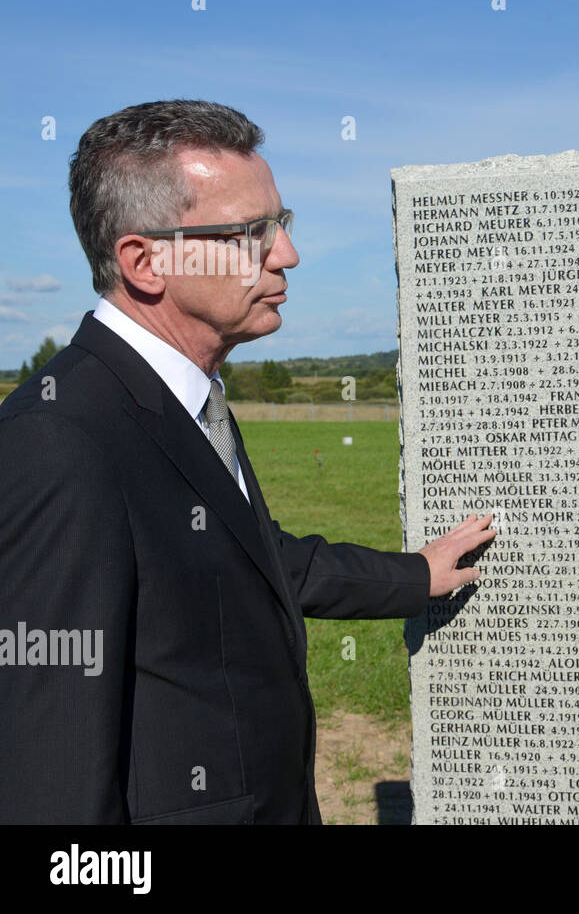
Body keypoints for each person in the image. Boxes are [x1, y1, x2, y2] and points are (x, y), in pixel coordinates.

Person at [0, 100, 495, 824]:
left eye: (281, 222)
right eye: (246, 234)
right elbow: (53, 778)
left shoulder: (183, 395)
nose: (286, 254)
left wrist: (415, 573)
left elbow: (250, 559)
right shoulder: (59, 437)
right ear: (145, 262)